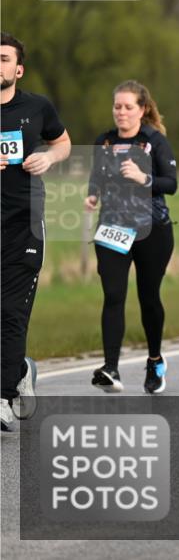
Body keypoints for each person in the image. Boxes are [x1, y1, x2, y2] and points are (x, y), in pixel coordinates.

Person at [86, 81, 177, 394]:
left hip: (152, 230)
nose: (121, 112)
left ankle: (155, 361)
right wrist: (92, 195)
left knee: (148, 297)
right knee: (113, 295)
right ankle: (110, 368)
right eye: (117, 106)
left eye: (128, 107)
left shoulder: (154, 141)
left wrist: (143, 178)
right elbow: (97, 176)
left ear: (142, 109)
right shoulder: (104, 141)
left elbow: (171, 183)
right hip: (113, 228)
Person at [1, 32, 71, 431]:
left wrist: (49, 157)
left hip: (24, 221)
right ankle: (20, 370)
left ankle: (3, 397)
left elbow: (63, 143)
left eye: (4, 58)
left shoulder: (37, 107)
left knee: (10, 310)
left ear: (18, 69)